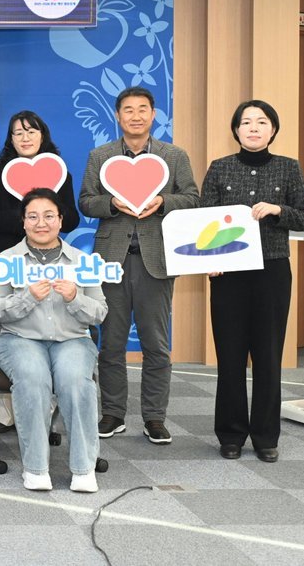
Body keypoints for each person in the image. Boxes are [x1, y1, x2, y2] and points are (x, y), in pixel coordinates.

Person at [79, 87, 198, 446]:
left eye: (142, 109)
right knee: (110, 343)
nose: (135, 116)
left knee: (156, 344)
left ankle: (154, 417)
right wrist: (111, 203)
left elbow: (192, 198)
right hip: (110, 261)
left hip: (156, 260)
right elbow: (86, 201)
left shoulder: (174, 156)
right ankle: (113, 413)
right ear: (118, 115)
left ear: (153, 114)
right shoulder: (100, 155)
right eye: (128, 110)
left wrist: (162, 201)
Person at [200, 100, 304, 463]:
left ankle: (266, 436)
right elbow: (204, 221)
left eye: (261, 122)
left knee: (268, 357)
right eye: (246, 122)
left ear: (272, 129)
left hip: (272, 272)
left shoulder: (288, 168)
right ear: (235, 130)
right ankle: (231, 434)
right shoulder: (219, 168)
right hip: (228, 275)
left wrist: (278, 210)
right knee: (230, 356)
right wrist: (211, 261)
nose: (253, 127)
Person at [0, 188, 107, 493]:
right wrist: (27, 298)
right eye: (33, 216)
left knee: (76, 381)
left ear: (61, 220)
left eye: (49, 216)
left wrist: (75, 298)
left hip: (72, 339)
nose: (41, 223)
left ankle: (84, 468)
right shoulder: (6, 260)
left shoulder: (82, 261)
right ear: (23, 222)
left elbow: (100, 312)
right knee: (32, 378)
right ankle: (36, 468)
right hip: (20, 338)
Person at [0, 110, 81, 432]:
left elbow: (72, 219)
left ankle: (43, 404)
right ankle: (4, 407)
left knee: (48, 326)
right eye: (17, 132)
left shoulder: (59, 172)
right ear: (10, 139)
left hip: (50, 262)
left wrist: (45, 221)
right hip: (4, 260)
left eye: (31, 131)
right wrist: (31, 219)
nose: (25, 137)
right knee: (1, 330)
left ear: (42, 135)